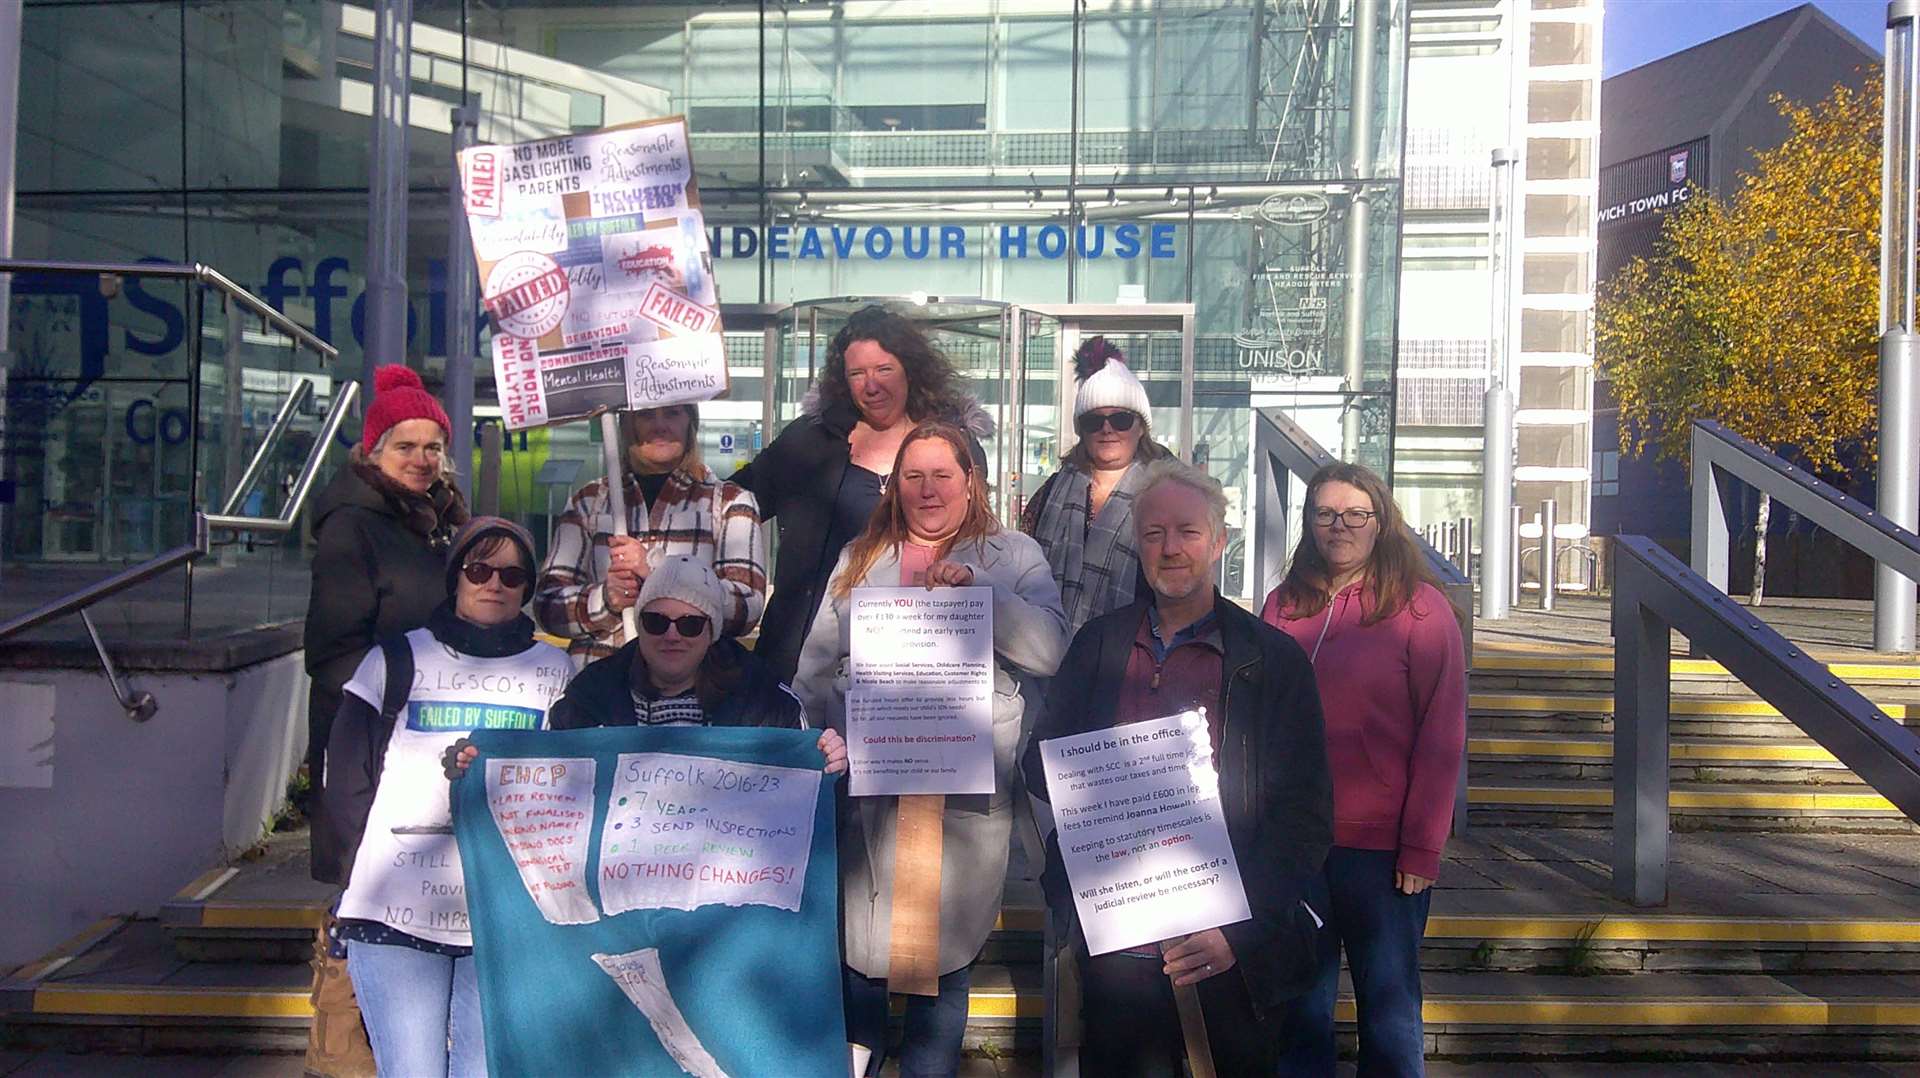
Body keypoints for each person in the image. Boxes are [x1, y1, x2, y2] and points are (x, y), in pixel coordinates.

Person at [1022, 460, 1332, 1077]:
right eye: (1154, 533)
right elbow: (1040, 765)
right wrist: (1101, 779)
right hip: (1117, 933)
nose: (1170, 548)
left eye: (1188, 532)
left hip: (1227, 941)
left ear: (1219, 542)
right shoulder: (1098, 644)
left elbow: (1304, 814)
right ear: (1137, 544)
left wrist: (1238, 930)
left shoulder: (1271, 660)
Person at [794, 422, 1066, 1078]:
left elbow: (1054, 649)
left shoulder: (1015, 554)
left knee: (941, 960)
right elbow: (814, 664)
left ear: (971, 481)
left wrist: (985, 596)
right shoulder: (861, 557)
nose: (928, 489)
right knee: (860, 953)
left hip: (964, 797)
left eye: (944, 474)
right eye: (913, 476)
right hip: (868, 791)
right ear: (894, 487)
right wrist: (806, 734)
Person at [320, 517, 571, 1078]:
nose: (494, 584)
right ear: (455, 576)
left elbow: (567, 789)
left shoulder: (556, 670)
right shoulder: (394, 660)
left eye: (512, 575)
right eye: (478, 569)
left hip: (501, 913)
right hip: (396, 908)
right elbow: (345, 782)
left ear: (528, 588)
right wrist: (352, 874)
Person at [1266, 462, 1466, 1078]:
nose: (1340, 526)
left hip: (1383, 856)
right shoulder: (1283, 605)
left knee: (1390, 1012)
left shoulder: (1421, 611)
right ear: (1308, 523)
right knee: (1299, 1009)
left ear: (1382, 523)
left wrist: (1421, 848)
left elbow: (1442, 735)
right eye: (1325, 514)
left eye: (1356, 514)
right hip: (1298, 846)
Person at [300, 363, 467, 1077]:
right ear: (372, 450)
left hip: (427, 751)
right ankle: (342, 1060)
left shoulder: (434, 522)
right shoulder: (354, 527)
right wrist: (389, 703)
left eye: (433, 447)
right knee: (359, 904)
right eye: (407, 446)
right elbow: (331, 651)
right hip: (370, 749)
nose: (423, 460)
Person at [733, 305, 992, 684]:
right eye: (858, 373)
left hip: (919, 659)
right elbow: (736, 502)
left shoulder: (955, 445)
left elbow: (981, 535)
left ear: (910, 370)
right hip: (800, 653)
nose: (871, 385)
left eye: (884, 369)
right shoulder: (809, 441)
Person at [451, 555, 847, 770]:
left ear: (712, 633)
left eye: (690, 624)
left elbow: (803, 784)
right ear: (640, 625)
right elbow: (549, 778)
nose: (672, 635)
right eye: (657, 622)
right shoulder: (590, 696)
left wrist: (827, 756)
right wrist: (485, 765)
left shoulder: (766, 700)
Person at [535, 404, 767, 663]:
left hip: (693, 690)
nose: (660, 426)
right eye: (645, 415)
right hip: (599, 686)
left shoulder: (730, 503)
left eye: (672, 413)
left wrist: (659, 574)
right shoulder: (588, 502)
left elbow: (748, 608)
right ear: (627, 424)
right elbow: (547, 606)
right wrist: (605, 600)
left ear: (690, 422)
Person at [1021, 336, 1171, 633]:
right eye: (1093, 421)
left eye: (1121, 419)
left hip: (1134, 654)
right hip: (1052, 654)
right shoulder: (1051, 492)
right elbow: (1023, 565)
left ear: (1141, 427)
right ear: (1081, 429)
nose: (1106, 429)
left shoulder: (1167, 494)